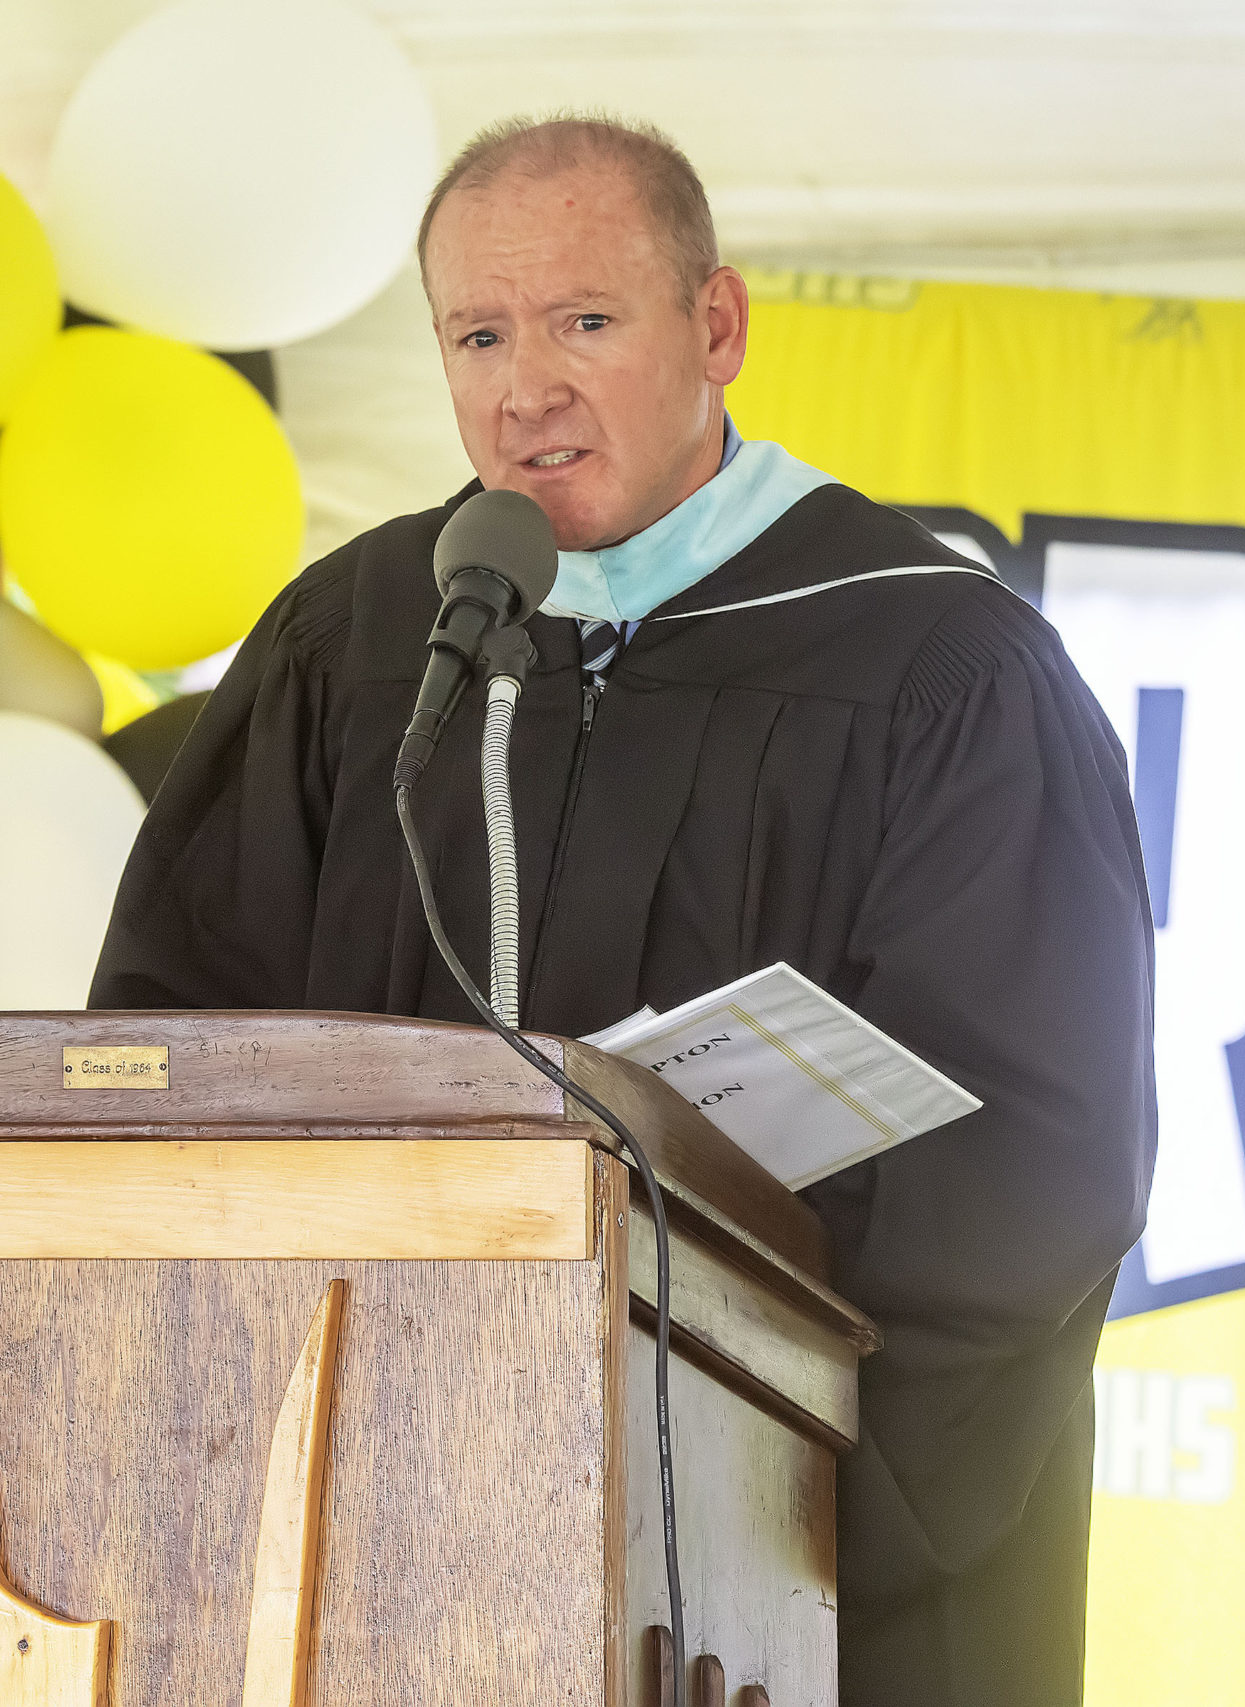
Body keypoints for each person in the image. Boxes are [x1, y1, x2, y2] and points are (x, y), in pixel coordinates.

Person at [90, 113, 1155, 1707]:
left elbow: (1031, 1161)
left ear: (715, 327)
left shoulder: (938, 670)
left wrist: (749, 1494)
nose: (527, 390)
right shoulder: (357, 642)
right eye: (480, 334)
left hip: (796, 1562)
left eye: (586, 321)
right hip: (384, 1534)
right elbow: (180, 1057)